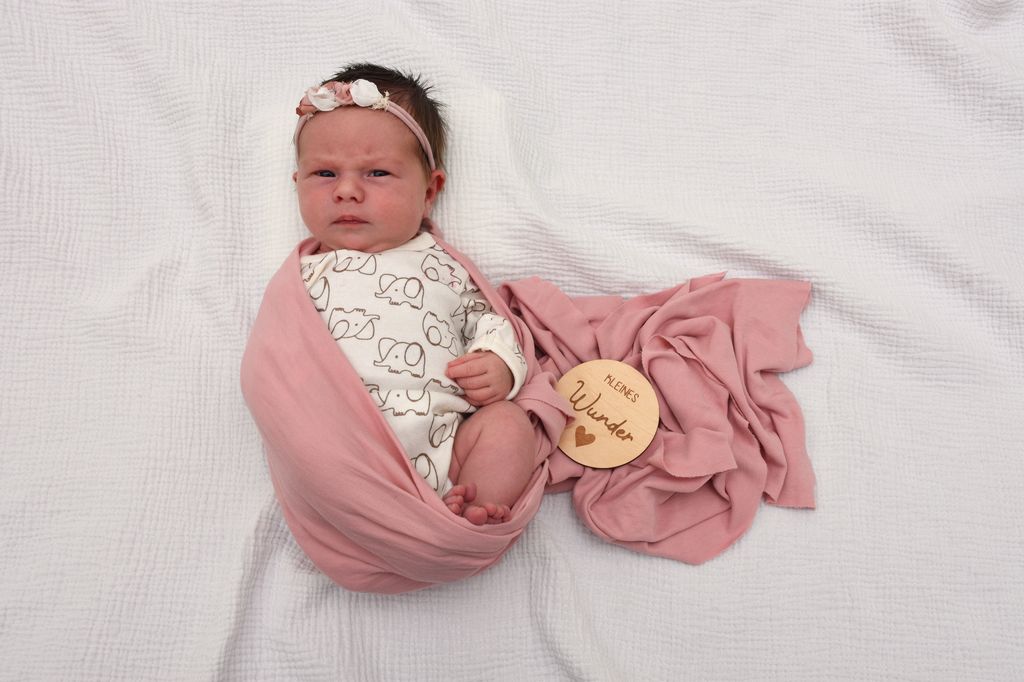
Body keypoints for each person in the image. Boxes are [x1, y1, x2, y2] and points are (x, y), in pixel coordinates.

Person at [292, 63, 535, 525]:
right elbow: (276, 365)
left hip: (447, 448)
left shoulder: (442, 265)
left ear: (429, 190)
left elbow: (490, 321)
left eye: (377, 172)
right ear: (297, 183)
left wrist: (500, 363)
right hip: (348, 449)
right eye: (324, 173)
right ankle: (383, 515)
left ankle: (471, 508)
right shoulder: (302, 278)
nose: (347, 191)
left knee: (508, 425)